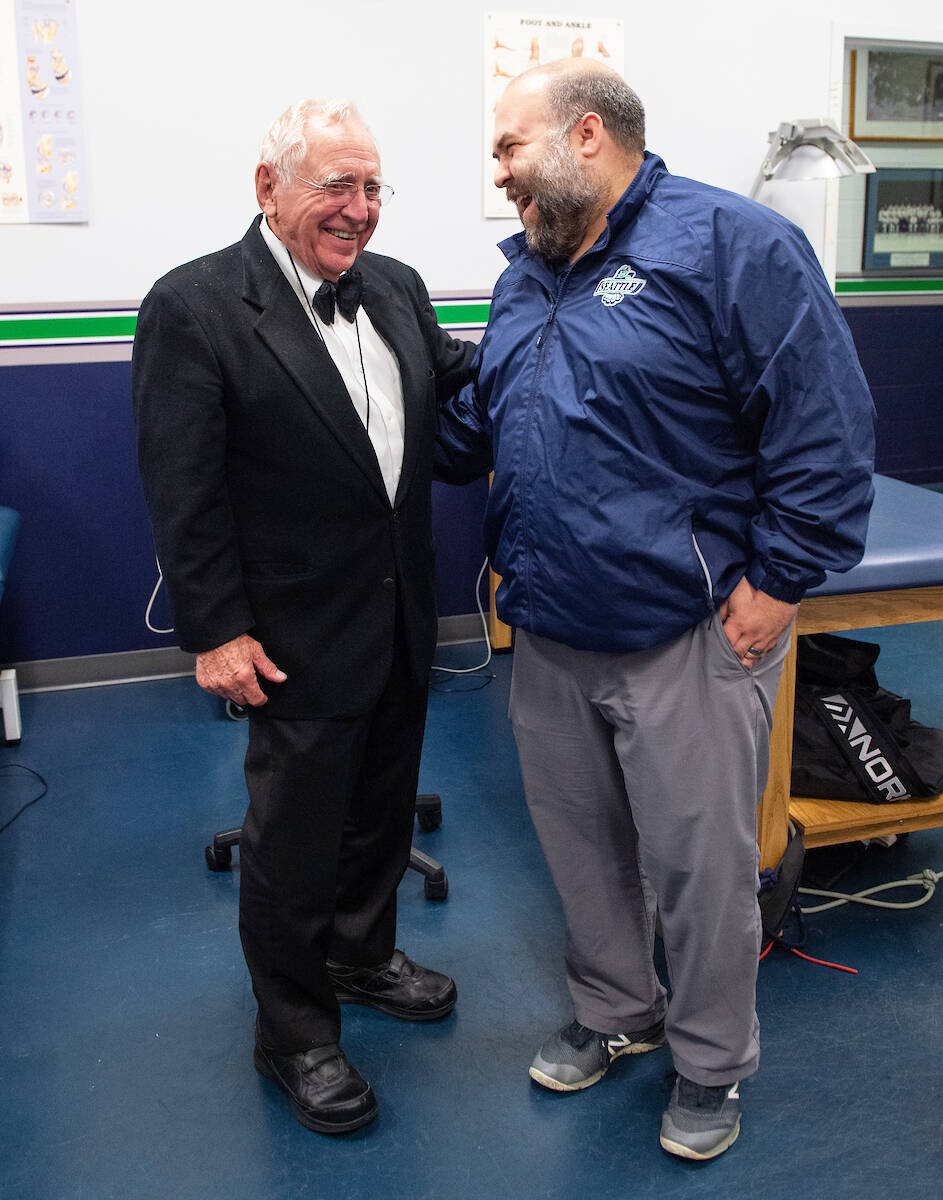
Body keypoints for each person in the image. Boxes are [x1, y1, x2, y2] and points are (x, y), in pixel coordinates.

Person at [435, 60, 875, 1160]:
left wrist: (777, 586)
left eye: (509, 148)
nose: (500, 174)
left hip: (686, 632)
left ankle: (711, 1063)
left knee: (701, 869)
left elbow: (824, 429)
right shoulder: (528, 275)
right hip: (549, 623)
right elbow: (484, 423)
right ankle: (616, 1010)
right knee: (581, 848)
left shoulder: (733, 245)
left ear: (586, 135)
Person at [133, 99, 475, 1135]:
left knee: (381, 807)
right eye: (337, 185)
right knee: (292, 843)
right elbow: (183, 489)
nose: (359, 208)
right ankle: (292, 1034)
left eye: (372, 187)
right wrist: (215, 631)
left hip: (401, 608)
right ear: (269, 187)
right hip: (289, 630)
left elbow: (459, 379)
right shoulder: (193, 305)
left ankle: (361, 957)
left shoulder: (397, 286)